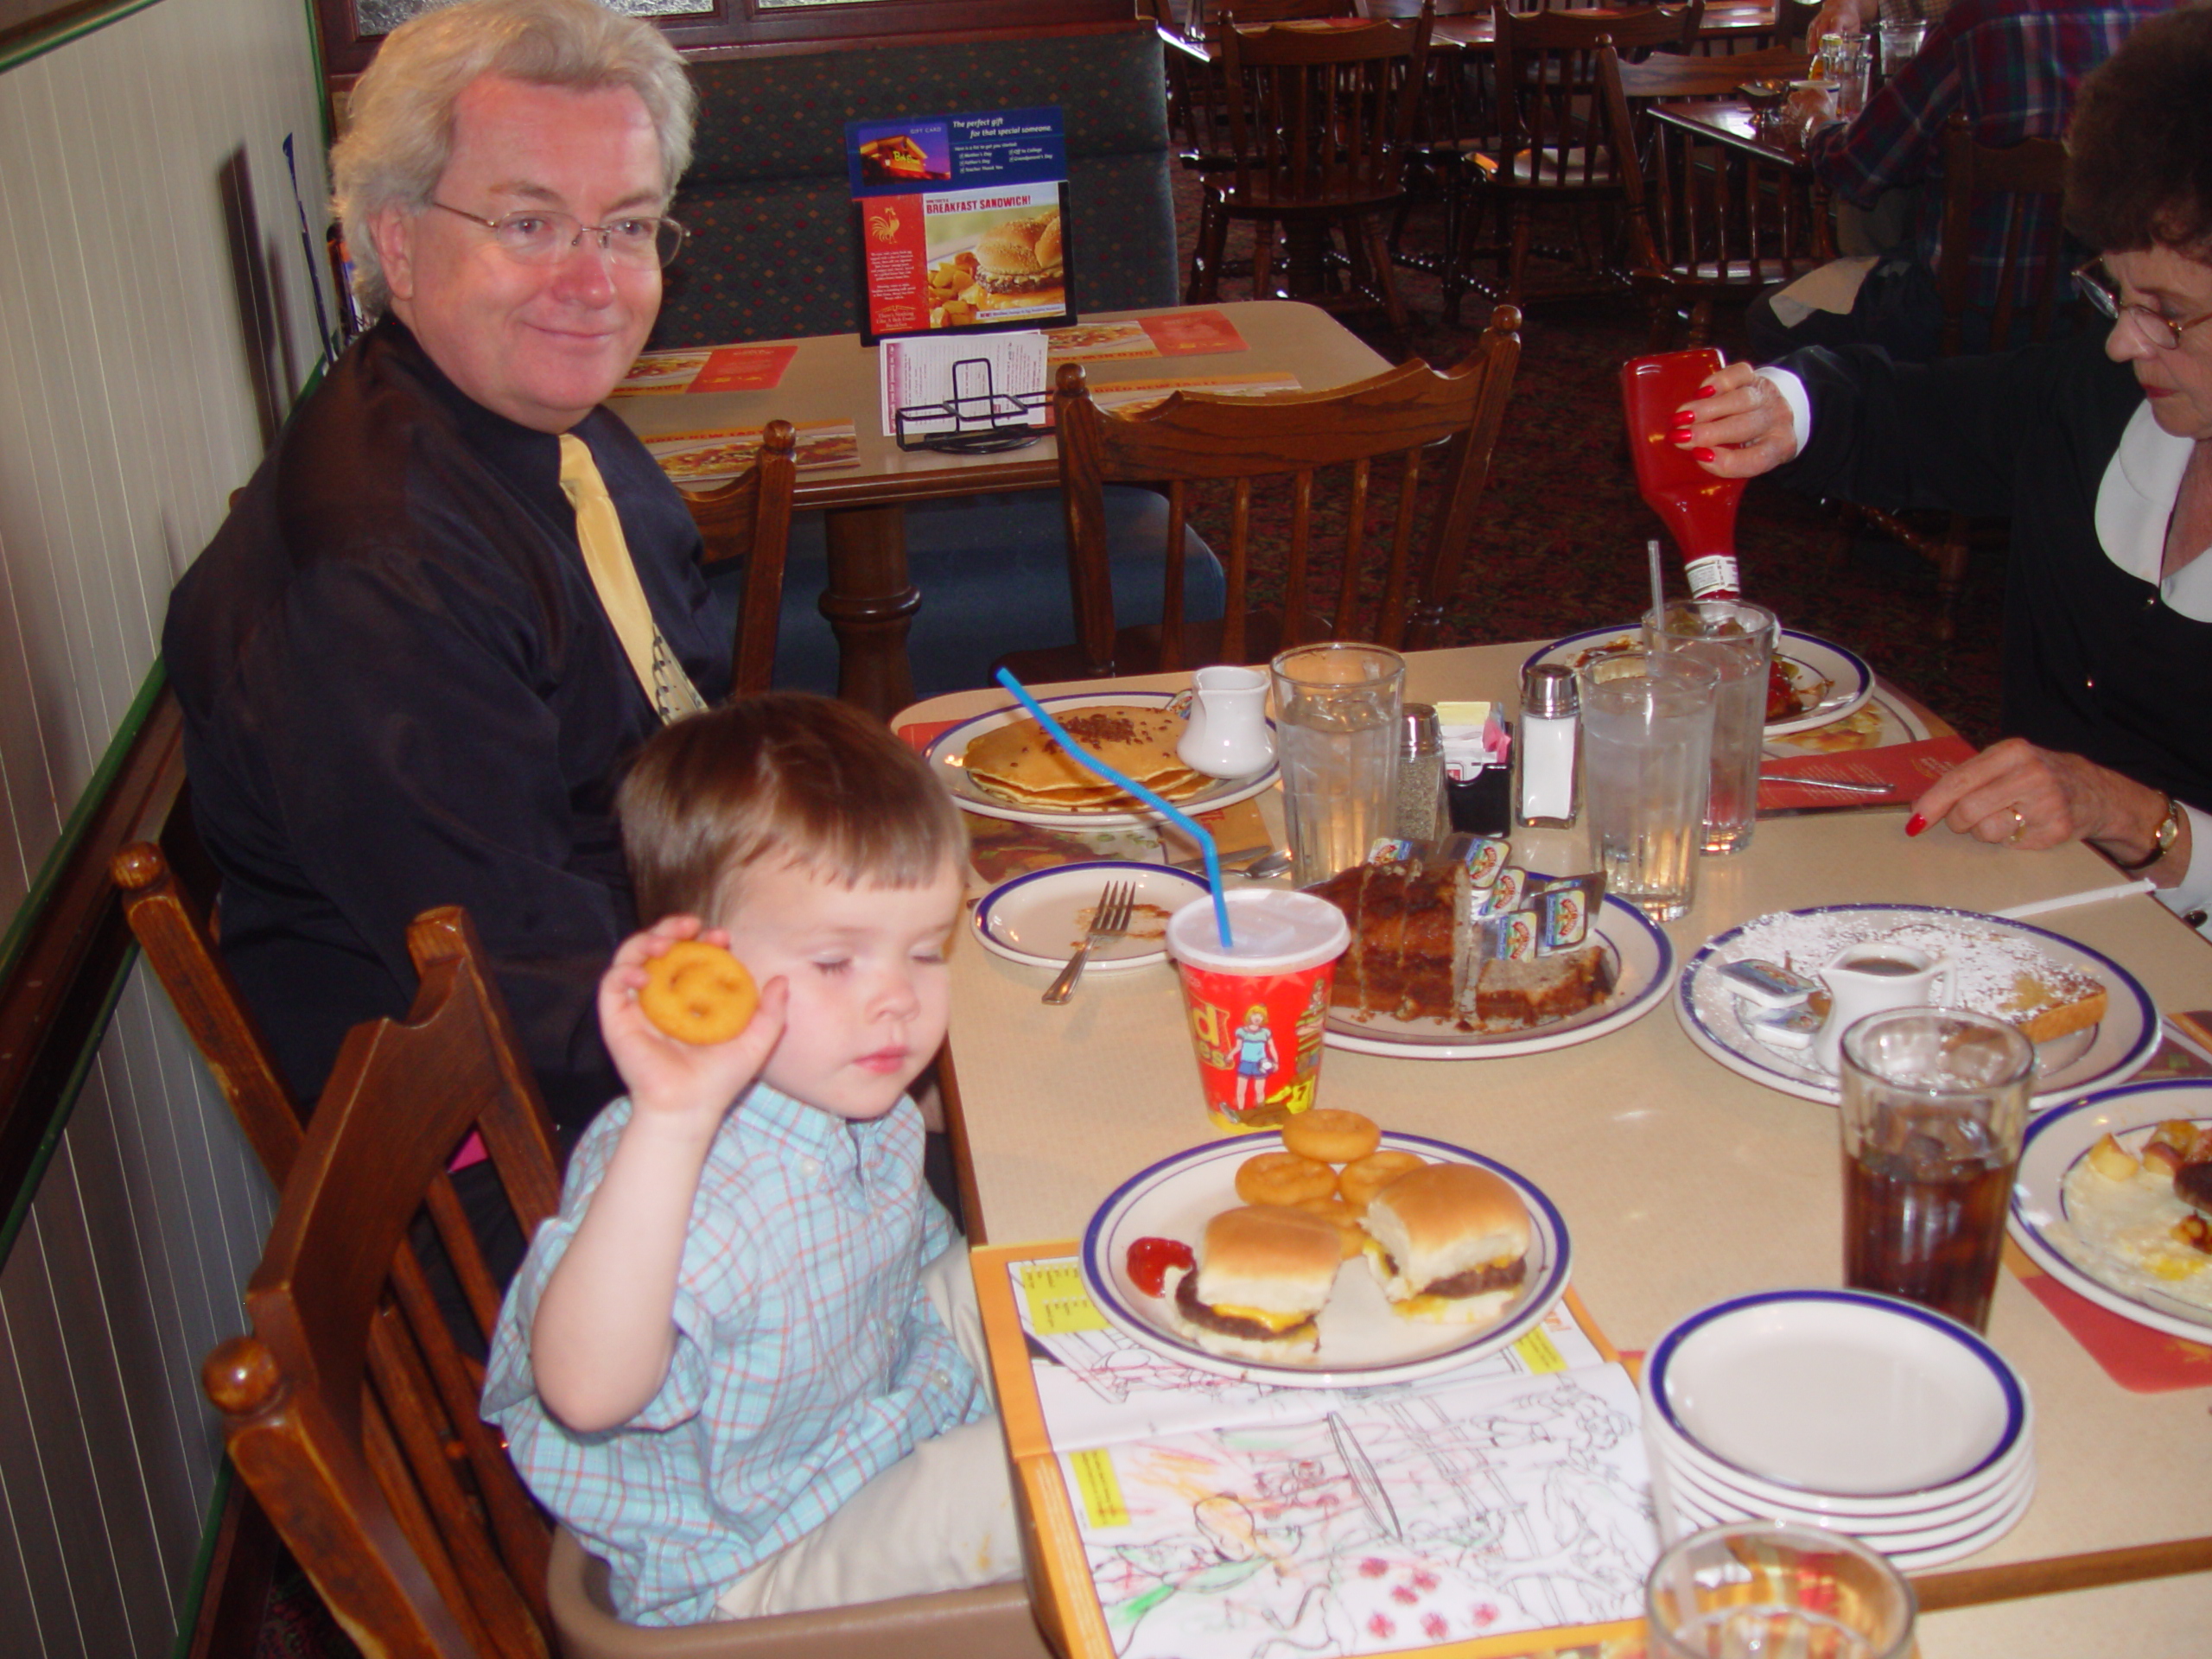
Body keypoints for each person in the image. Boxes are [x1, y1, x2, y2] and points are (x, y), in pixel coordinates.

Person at [162, 0, 718, 1139]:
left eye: (625, 226)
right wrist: (832, 995)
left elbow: (675, 732)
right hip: (517, 1154)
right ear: (398, 242)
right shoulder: (380, 579)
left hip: (650, 976)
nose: (593, 281)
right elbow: (527, 993)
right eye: (529, 224)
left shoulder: (547, 428)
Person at [481, 694, 1021, 1624]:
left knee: (1049, 1272)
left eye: (926, 953)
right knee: (1053, 1485)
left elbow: (893, 1202)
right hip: (755, 1541)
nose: (895, 1001)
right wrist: (673, 1121)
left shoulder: (839, 1079)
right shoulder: (667, 1172)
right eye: (835, 963)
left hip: (871, 1388)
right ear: (710, 969)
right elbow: (583, 1391)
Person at [1672, 3, 2212, 931]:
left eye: (2166, 313)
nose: (2124, 341)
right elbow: (1920, 412)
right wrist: (1786, 409)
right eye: (2114, 293)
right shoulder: (2103, 400)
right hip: (2039, 913)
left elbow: (2120, 815)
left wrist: (2140, 822)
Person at [1748, 0, 2164, 364]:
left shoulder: (1978, 25)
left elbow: (1856, 168)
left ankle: (1890, 432)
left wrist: (1817, 119)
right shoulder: (2163, 18)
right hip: (2103, 314)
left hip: (1959, 316)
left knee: (1769, 316)